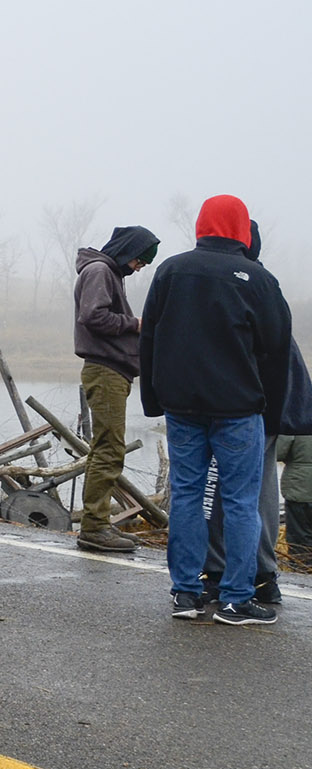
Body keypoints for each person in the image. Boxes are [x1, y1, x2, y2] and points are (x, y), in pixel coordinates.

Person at [140, 195, 292, 626]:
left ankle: (186, 594)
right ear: (242, 229)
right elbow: (277, 351)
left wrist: (153, 399)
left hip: (182, 408)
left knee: (187, 496)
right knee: (241, 502)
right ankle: (235, 599)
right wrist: (273, 415)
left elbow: (149, 336)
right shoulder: (258, 279)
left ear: (202, 225)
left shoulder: (171, 270)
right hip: (239, 409)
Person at [72, 224, 160, 552]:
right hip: (105, 370)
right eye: (140, 261)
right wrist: (135, 324)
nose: (139, 268)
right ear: (128, 252)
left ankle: (98, 524)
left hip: (113, 371)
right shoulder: (99, 271)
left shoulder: (109, 273)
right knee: (108, 449)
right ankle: (94, 527)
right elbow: (93, 317)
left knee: (106, 448)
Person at [280, 434, 312, 562]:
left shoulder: (296, 420)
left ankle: (301, 568)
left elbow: (278, 452)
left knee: (299, 537)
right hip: (299, 489)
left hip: (300, 488)